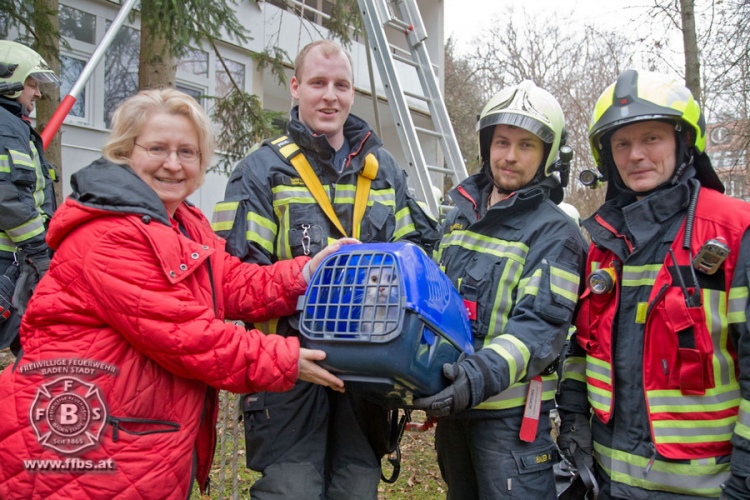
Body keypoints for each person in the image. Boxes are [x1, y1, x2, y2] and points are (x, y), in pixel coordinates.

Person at [0, 88, 352, 499]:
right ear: (125, 151)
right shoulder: (108, 235)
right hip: (83, 449)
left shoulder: (183, 223)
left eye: (187, 152)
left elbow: (231, 282)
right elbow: (187, 334)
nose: (173, 164)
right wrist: (287, 359)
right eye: (158, 148)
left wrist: (308, 272)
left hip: (133, 436)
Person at [212, 40, 440, 499]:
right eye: (317, 83)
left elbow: (417, 267)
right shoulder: (260, 171)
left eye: (341, 85)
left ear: (353, 93)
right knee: (291, 490)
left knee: (356, 490)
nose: (329, 96)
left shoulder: (384, 171)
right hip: (288, 374)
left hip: (368, 376)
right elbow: (232, 282)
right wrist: (308, 276)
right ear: (295, 87)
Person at [557, 69, 750, 499]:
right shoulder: (604, 244)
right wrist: (572, 418)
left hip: (706, 487)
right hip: (609, 481)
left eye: (652, 139)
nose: (636, 155)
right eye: (622, 143)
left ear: (683, 143)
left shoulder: (734, 230)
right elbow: (580, 348)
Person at [411, 80, 587, 498]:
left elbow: (539, 330)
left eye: (526, 145)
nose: (510, 156)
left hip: (510, 427)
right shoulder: (457, 218)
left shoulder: (556, 232)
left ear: (549, 155)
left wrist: (471, 379)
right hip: (455, 414)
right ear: (486, 145)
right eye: (502, 141)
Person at [0, 40, 61, 355]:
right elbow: (6, 197)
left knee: (37, 345)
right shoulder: (5, 129)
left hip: (17, 259)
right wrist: (39, 248)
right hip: (12, 261)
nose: (37, 93)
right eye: (31, 83)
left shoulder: (15, 127)